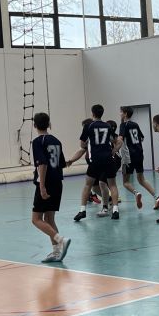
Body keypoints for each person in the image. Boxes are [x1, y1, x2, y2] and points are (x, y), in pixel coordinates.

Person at [69, 105, 122, 220]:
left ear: (92, 113)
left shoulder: (88, 126)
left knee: (88, 185)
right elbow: (117, 141)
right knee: (112, 185)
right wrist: (113, 151)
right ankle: (115, 210)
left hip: (95, 160)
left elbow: (82, 144)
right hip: (108, 159)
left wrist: (89, 141)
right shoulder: (107, 126)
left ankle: (82, 210)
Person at [30, 113, 71, 263]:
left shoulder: (37, 141)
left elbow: (43, 164)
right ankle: (56, 252)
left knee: (36, 219)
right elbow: (62, 163)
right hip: (57, 182)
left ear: (35, 125)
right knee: (49, 218)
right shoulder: (56, 140)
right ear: (49, 124)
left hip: (46, 183)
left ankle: (61, 240)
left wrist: (42, 187)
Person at [118, 106, 159, 211]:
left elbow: (120, 139)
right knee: (142, 179)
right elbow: (141, 137)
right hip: (139, 154)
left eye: (121, 112)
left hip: (128, 156)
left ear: (125, 114)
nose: (120, 114)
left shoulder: (123, 125)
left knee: (125, 182)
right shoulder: (135, 124)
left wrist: (115, 149)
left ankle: (136, 193)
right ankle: (157, 197)